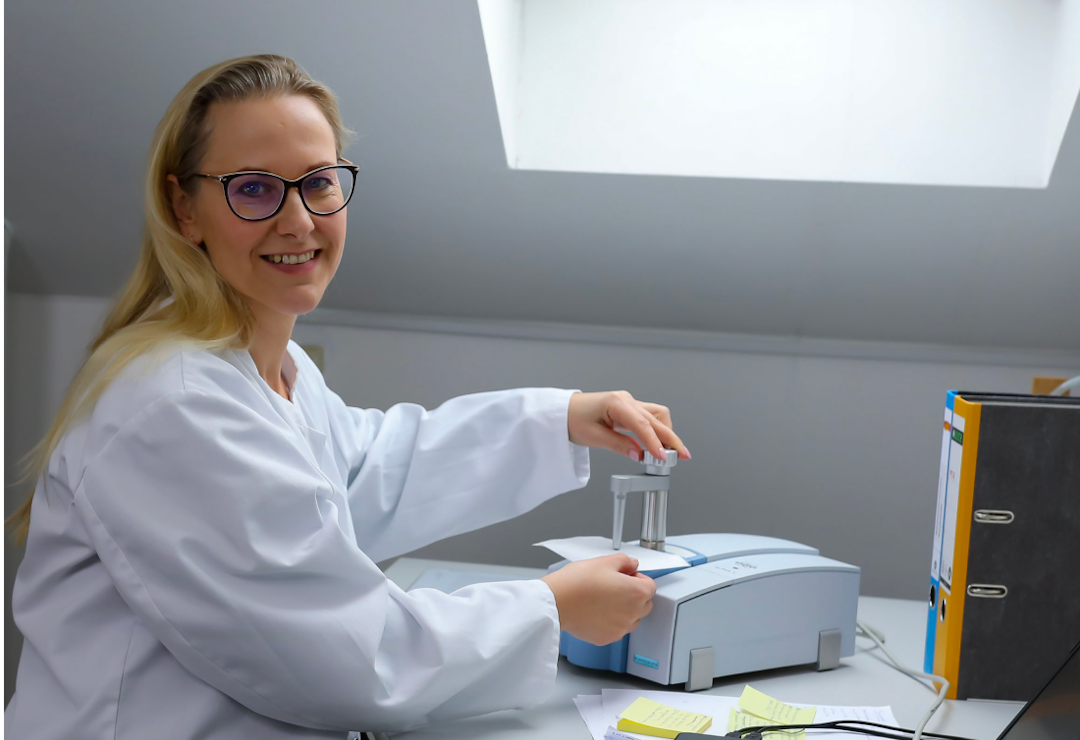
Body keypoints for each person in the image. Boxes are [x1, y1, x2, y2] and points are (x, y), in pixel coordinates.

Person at [2, 55, 689, 739]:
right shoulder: (172, 406)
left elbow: (363, 471)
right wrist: (551, 607)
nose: (298, 221)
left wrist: (562, 420)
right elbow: (348, 662)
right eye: (253, 189)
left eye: (319, 184)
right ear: (186, 208)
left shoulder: (268, 366)